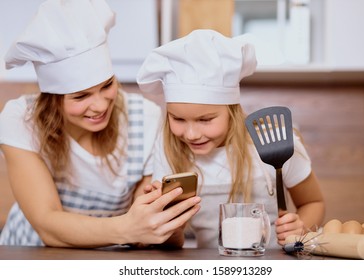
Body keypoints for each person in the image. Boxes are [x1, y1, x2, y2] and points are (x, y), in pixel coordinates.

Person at [0, 0, 200, 248]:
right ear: (53, 100)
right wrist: (130, 228)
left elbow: (142, 231)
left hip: (108, 255)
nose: (100, 106)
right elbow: (47, 226)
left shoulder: (145, 117)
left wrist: (159, 223)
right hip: (28, 252)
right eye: (81, 96)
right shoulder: (21, 119)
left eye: (107, 86)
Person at [136, 29, 325, 249]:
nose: (191, 134)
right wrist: (167, 222)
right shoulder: (168, 149)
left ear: (232, 112)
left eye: (205, 120)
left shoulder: (274, 142)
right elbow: (172, 243)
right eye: (178, 119)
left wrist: (300, 227)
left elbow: (314, 202)